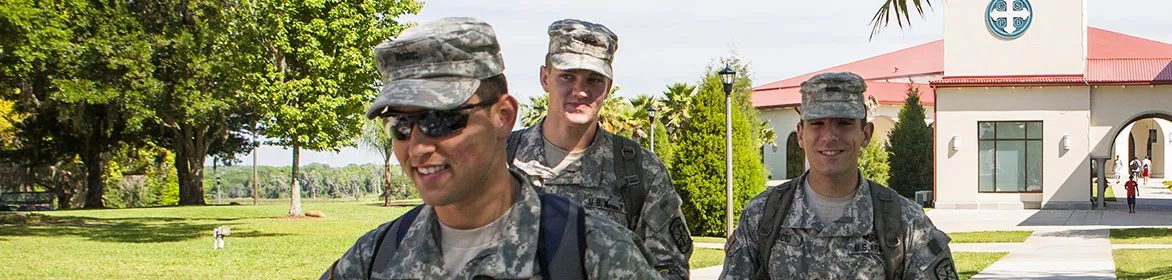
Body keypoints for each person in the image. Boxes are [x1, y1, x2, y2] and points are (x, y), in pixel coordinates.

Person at [325, 17, 658, 279]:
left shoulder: (595, 254)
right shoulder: (373, 258)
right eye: (400, 124)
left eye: (443, 119)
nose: (418, 147)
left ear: (503, 116)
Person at [720, 72, 959, 280]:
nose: (829, 135)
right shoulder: (762, 215)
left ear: (866, 134)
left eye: (844, 123)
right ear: (801, 135)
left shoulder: (904, 221)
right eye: (817, 123)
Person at [505, 18, 692, 280]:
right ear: (545, 78)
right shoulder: (500, 161)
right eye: (567, 76)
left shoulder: (640, 171)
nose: (580, 91)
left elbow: (671, 269)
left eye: (594, 79)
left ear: (608, 87)